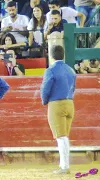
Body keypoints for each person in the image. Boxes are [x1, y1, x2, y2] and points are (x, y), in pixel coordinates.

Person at [40, 45, 76, 174]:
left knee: (61, 137)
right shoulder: (71, 70)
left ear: (51, 55)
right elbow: (73, 87)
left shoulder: (51, 70)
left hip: (56, 104)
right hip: (70, 103)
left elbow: (45, 88)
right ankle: (64, 165)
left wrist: (44, 101)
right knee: (64, 136)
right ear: (63, 55)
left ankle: (64, 167)